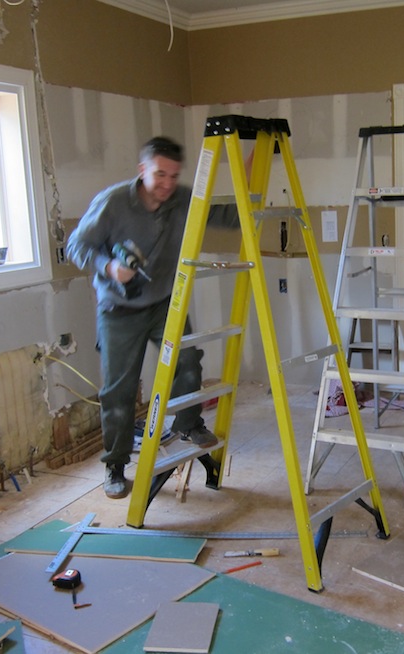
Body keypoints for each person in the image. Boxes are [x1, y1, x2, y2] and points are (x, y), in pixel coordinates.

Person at [66, 136, 241, 499]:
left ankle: (190, 424)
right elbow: (77, 246)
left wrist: (251, 184)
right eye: (160, 174)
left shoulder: (180, 199)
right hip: (118, 308)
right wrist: (109, 267)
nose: (166, 184)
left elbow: (223, 214)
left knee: (188, 362)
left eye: (173, 176)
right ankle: (115, 466)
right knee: (119, 389)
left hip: (164, 303)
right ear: (142, 169)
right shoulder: (113, 203)